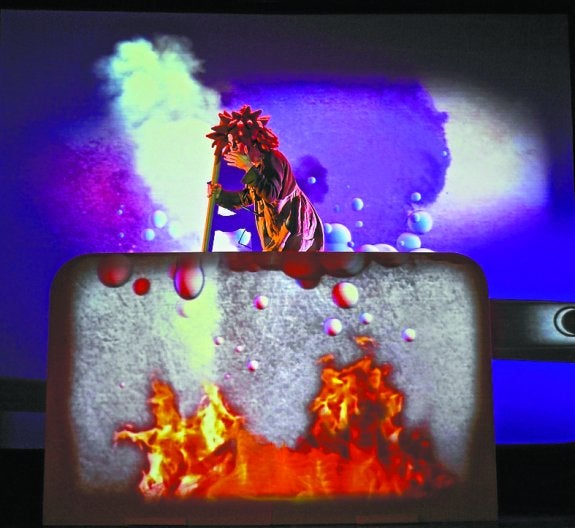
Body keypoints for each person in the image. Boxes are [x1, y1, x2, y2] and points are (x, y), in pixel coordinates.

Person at [206, 105, 324, 252]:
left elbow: (270, 194)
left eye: (236, 142)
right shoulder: (257, 167)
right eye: (230, 144)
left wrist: (248, 167)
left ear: (250, 140)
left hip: (294, 226)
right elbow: (246, 198)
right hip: (275, 230)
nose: (233, 148)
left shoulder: (273, 158)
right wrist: (219, 195)